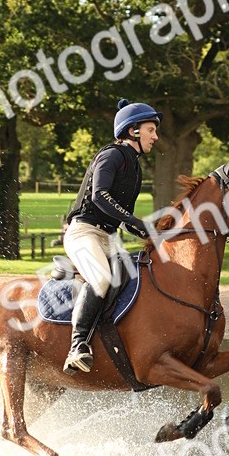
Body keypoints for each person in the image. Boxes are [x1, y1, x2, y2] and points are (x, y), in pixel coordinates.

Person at [62, 98, 161, 373]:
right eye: (151, 129)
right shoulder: (112, 156)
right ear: (133, 131)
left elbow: (122, 216)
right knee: (102, 278)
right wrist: (132, 220)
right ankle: (77, 345)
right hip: (83, 232)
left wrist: (149, 231)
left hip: (107, 237)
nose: (155, 136)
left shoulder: (135, 167)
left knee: (137, 275)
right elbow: (100, 196)